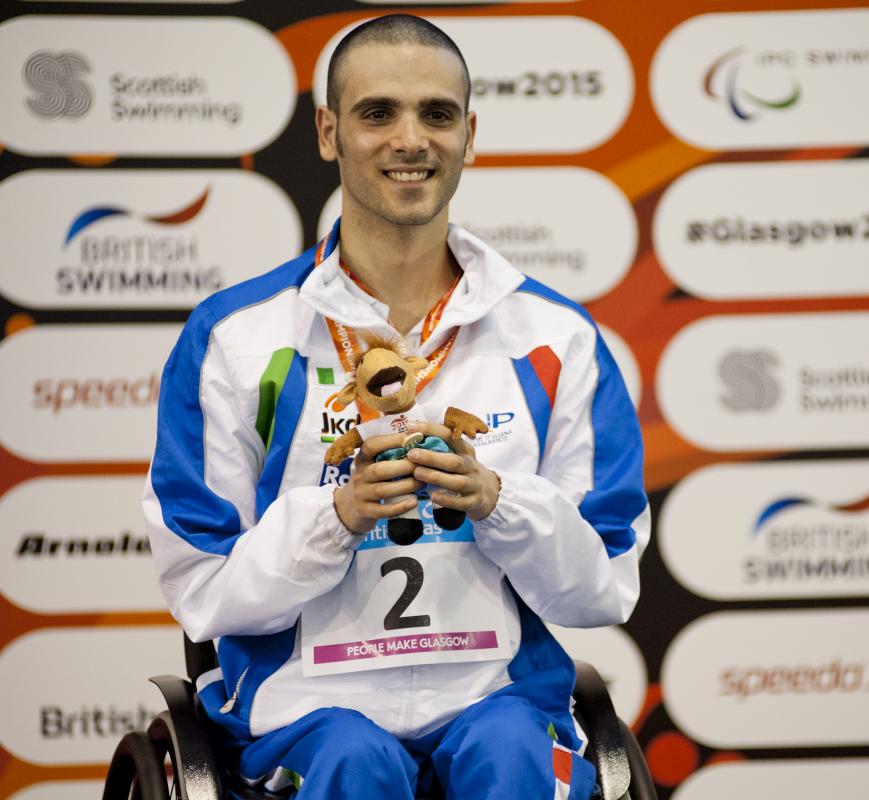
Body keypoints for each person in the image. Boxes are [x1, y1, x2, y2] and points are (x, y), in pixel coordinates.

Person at [143, 13, 648, 799]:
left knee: (512, 755)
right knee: (351, 759)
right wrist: (335, 519)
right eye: (378, 113)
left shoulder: (556, 337)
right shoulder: (235, 338)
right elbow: (204, 588)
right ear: (328, 131)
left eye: (437, 115)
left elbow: (603, 587)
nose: (409, 139)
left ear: (469, 135)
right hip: (308, 704)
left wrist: (499, 503)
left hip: (500, 697)